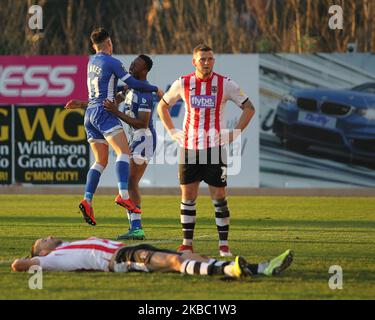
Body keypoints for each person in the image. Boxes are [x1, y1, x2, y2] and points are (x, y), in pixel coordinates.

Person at [157, 44, 256, 257]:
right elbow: (162, 106)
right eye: (202, 59)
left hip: (214, 149)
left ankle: (223, 245)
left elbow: (249, 108)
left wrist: (235, 133)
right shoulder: (183, 83)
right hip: (189, 149)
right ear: (194, 62)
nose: (207, 62)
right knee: (188, 195)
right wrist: (173, 131)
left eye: (210, 59)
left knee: (219, 195)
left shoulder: (225, 84)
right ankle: (187, 244)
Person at [65, 27, 163, 227]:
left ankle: (88, 199)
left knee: (100, 161)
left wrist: (81, 103)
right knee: (123, 153)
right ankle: (123, 197)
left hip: (90, 115)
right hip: (103, 114)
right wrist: (156, 89)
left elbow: (104, 95)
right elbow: (133, 84)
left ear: (94, 45)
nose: (130, 65)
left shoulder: (91, 62)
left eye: (136, 63)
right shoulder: (113, 63)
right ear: (109, 43)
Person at [11, 236, 294, 280]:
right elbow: (18, 265)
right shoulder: (50, 259)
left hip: (130, 248)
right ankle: (233, 271)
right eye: (43, 240)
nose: (48, 236)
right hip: (122, 259)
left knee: (191, 255)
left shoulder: (69, 243)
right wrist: (28, 260)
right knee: (174, 263)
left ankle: (262, 268)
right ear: (43, 251)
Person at [103, 54, 157, 240]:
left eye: (136, 65)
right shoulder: (129, 88)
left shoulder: (144, 94)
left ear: (144, 70)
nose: (131, 66)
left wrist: (116, 112)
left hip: (144, 139)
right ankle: (134, 227)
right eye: (132, 63)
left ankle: (136, 227)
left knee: (130, 182)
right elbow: (111, 103)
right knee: (128, 181)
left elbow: (142, 123)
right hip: (136, 139)